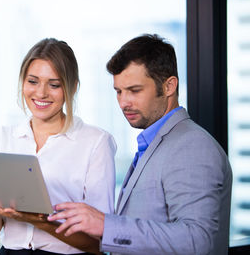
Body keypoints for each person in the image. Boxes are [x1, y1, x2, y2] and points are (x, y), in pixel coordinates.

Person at [48, 34, 233, 255]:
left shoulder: (192, 146)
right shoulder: (156, 143)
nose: (124, 102)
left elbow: (198, 240)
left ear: (168, 86)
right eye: (118, 91)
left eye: (134, 90)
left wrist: (106, 225)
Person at [0, 38, 117, 255]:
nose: (41, 93)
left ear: (72, 88)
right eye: (32, 81)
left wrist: (40, 220)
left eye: (54, 84)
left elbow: (99, 243)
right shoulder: (4, 137)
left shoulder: (96, 142)